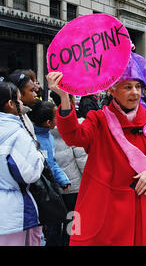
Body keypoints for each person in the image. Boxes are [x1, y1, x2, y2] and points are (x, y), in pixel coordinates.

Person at [46, 52, 146, 246]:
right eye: (127, 87)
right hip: (105, 208)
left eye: (138, 86)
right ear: (112, 91)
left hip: (143, 205)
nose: (134, 92)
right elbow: (74, 136)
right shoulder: (98, 120)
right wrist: (65, 97)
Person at [0, 81, 45, 246]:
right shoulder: (17, 134)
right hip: (15, 214)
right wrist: (39, 157)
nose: (21, 103)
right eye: (18, 100)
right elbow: (29, 173)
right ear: (10, 104)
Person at [29, 99, 71, 246]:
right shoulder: (33, 139)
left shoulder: (50, 137)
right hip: (38, 190)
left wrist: (62, 179)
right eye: (55, 116)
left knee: (53, 225)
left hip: (51, 188)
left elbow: (52, 164)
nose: (58, 118)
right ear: (48, 122)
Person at [49, 91, 87, 246]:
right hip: (75, 186)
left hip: (55, 185)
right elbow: (82, 158)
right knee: (73, 221)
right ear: (71, 99)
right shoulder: (76, 126)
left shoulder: (46, 125)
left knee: (55, 224)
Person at [6, 70, 38, 138]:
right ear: (18, 93)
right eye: (31, 90)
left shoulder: (24, 113)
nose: (35, 94)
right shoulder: (10, 122)